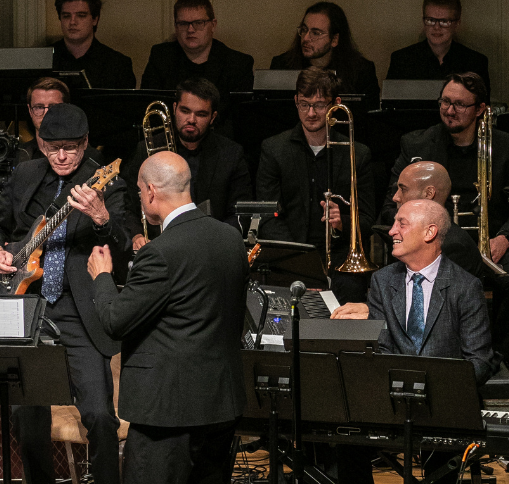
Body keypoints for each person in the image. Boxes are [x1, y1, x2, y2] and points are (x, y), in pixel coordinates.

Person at [0, 103, 129, 484]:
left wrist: (101, 216)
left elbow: (122, 244)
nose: (62, 157)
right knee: (29, 423)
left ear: (86, 145)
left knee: (101, 418)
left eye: (70, 148)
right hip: (29, 308)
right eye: (52, 148)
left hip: (77, 310)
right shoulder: (27, 175)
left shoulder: (107, 180)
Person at [88, 150, 247, 484]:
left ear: (150, 193)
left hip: (166, 413)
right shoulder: (230, 239)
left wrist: (102, 277)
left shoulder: (160, 254)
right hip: (219, 404)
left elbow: (115, 320)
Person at [333, 199, 501, 484]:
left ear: (430, 232)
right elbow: (380, 347)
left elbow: (480, 360)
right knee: (344, 429)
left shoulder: (465, 287)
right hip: (393, 400)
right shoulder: (382, 281)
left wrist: (439, 388)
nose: (392, 231)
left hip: (444, 405)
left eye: (402, 224)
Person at [383, 72, 509, 364]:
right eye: (445, 101)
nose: (450, 110)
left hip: (492, 241)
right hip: (437, 244)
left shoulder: (506, 145)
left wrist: (505, 239)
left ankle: (496, 356)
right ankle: (441, 356)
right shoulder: (417, 144)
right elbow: (390, 204)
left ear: (480, 109)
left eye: (460, 104)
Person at [255, 67, 375, 304]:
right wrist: (302, 263)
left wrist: (343, 222)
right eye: (304, 104)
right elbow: (267, 217)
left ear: (336, 103)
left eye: (319, 105)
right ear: (295, 102)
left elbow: (369, 218)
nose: (311, 113)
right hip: (290, 258)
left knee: (349, 303)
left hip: (342, 261)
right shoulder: (274, 149)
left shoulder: (357, 154)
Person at [122, 77, 252, 251]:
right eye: (185, 111)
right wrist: (137, 235)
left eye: (201, 114)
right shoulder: (146, 150)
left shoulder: (231, 154)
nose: (191, 119)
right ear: (175, 109)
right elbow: (129, 205)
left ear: (213, 117)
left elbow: (239, 213)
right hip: (158, 248)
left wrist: (215, 240)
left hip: (210, 249)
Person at [269, 2, 380, 108]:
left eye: (316, 33)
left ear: (334, 39)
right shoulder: (282, 65)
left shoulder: (361, 71)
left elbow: (369, 122)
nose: (306, 38)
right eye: (304, 30)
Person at [140, 0, 254, 95]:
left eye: (198, 23)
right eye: (183, 23)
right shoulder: (161, 57)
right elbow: (147, 105)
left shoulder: (238, 65)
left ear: (213, 25)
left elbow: (239, 118)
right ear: (176, 27)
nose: (190, 30)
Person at [386, 0, 490, 91]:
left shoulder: (475, 63)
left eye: (444, 22)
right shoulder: (401, 60)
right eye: (431, 20)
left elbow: (480, 108)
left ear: (457, 23)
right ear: (423, 21)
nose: (436, 27)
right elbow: (391, 108)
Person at [18, 77, 103, 165]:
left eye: (53, 107)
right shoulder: (19, 155)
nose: (47, 114)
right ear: (30, 110)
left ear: (67, 109)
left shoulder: (91, 157)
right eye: (39, 107)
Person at [51, 0, 135, 89]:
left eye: (81, 16)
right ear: (60, 19)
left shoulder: (118, 64)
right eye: (66, 16)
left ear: (95, 19)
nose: (72, 22)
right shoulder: (43, 57)